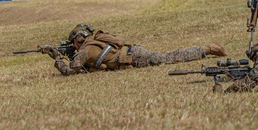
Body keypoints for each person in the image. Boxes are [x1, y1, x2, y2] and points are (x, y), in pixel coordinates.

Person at [45, 24, 227, 75]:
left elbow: (70, 70)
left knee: (168, 58)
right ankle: (207, 49)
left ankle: (207, 49)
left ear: (79, 39)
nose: (74, 47)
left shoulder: (85, 50)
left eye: (74, 43)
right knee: (166, 57)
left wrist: (56, 58)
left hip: (133, 57)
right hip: (133, 53)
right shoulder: (93, 42)